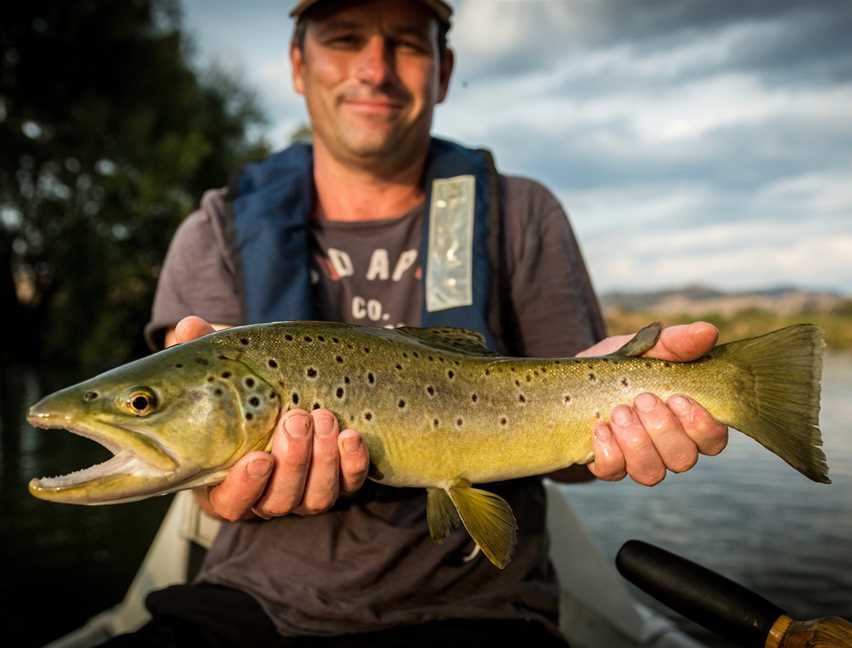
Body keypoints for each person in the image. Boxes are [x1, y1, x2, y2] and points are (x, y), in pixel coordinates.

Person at [108, 0, 728, 645]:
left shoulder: (522, 213)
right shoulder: (215, 231)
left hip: (481, 612)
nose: (375, 70)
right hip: (251, 606)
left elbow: (571, 462)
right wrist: (219, 490)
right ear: (297, 64)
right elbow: (202, 473)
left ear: (444, 69)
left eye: (405, 43)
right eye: (345, 39)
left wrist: (625, 395)